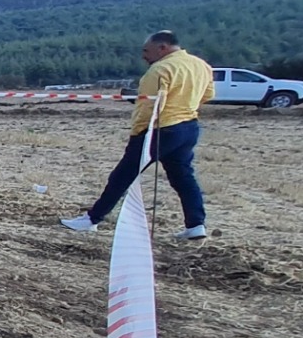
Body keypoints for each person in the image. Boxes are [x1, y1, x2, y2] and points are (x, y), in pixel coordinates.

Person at [62, 31, 215, 239]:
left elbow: (148, 107)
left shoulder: (160, 69)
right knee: (183, 178)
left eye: (146, 51)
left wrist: (138, 134)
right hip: (188, 127)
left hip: (161, 129)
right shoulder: (201, 65)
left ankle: (92, 219)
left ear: (162, 48)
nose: (144, 56)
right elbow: (209, 95)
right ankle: (196, 225)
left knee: (122, 176)